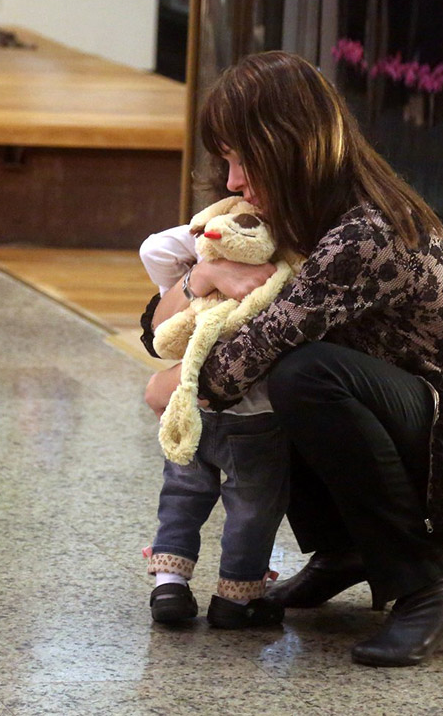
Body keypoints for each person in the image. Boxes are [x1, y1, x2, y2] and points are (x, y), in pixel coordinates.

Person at [143, 50, 443, 667]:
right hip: (429, 417)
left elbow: (234, 367)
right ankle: (345, 550)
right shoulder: (294, 214)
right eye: (225, 159)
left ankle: (429, 585)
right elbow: (155, 325)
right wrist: (206, 276)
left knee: (303, 375)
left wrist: (174, 378)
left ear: (291, 146)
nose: (231, 181)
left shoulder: (366, 231)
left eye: (244, 158)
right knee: (294, 372)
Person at [138, 222, 289, 629]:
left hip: (190, 411)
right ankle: (237, 599)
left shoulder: (210, 242)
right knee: (252, 509)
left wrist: (205, 256)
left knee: (182, 495)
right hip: (258, 417)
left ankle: (168, 584)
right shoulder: (289, 262)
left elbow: (155, 248)